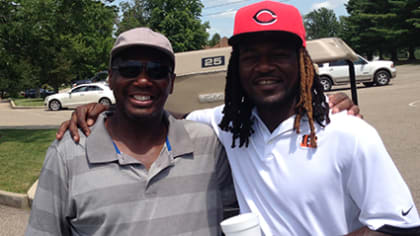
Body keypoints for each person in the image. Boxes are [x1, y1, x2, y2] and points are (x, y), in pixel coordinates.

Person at [56, 2, 420, 236]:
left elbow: (398, 225)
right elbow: (160, 114)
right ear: (236, 68)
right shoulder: (222, 125)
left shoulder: (347, 131)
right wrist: (107, 111)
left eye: (278, 54)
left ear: (302, 62)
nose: (264, 67)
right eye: (251, 56)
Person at [26, 27, 235, 236]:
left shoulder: (207, 144)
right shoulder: (68, 153)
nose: (143, 81)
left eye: (157, 71)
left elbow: (233, 221)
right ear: (110, 78)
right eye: (129, 69)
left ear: (171, 82)